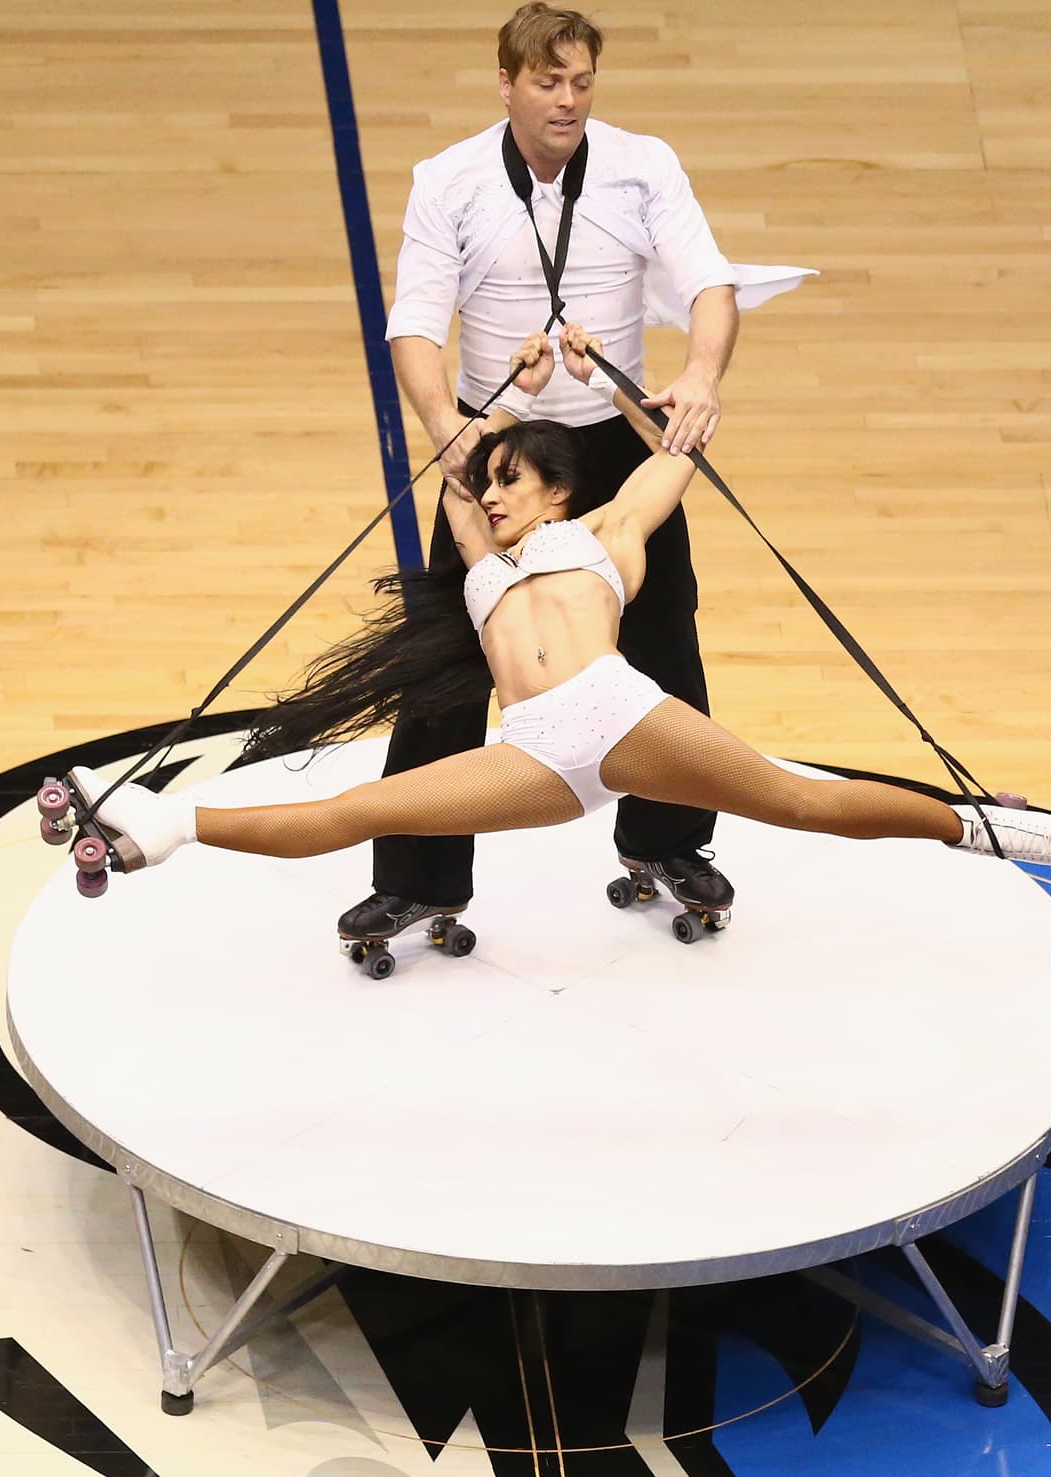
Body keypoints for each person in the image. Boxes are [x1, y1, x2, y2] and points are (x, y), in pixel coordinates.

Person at [67, 326, 1051, 882]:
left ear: (557, 490)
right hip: (535, 751)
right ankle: (168, 826)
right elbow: (454, 469)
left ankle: (979, 829)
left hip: (618, 713)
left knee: (799, 804)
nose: (493, 495)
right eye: (492, 485)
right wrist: (508, 394)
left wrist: (607, 378)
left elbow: (675, 454)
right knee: (354, 814)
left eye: (512, 480)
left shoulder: (603, 534)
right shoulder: (480, 558)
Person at [348, 0, 814, 948]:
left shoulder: (644, 166)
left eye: (582, 83)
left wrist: (700, 375)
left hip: (611, 436)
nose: (568, 101)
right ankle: (417, 881)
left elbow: (710, 285)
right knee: (446, 671)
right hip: (501, 446)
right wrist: (447, 431)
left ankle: (668, 842)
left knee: (665, 643)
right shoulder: (449, 182)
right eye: (548, 82)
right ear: (507, 84)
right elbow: (415, 324)